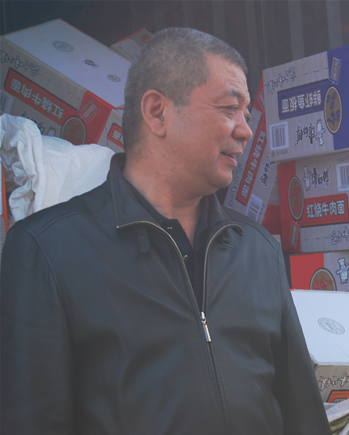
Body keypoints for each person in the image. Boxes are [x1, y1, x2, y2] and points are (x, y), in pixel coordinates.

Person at [1, 27, 331, 434]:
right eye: (229, 108)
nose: (245, 130)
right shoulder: (49, 250)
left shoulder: (257, 249)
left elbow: (303, 416)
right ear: (158, 112)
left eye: (246, 115)